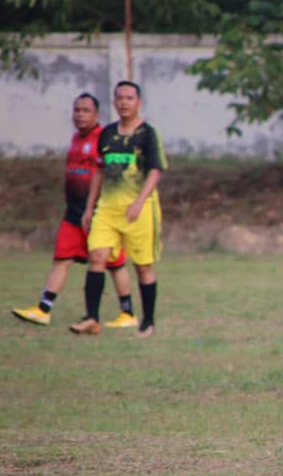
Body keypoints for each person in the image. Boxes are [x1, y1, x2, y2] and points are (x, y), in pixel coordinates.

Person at [12, 93, 136, 328]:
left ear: (96, 114)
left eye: (86, 110)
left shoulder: (106, 139)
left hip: (100, 215)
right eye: (76, 110)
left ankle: (127, 313)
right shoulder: (76, 139)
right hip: (73, 214)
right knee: (62, 258)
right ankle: (43, 309)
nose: (80, 115)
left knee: (114, 263)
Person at [69, 81, 167, 338]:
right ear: (114, 102)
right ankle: (92, 318)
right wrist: (89, 207)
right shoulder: (107, 134)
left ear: (138, 102)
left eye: (129, 98)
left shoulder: (147, 134)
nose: (124, 102)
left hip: (140, 209)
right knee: (97, 257)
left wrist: (138, 202)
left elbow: (155, 171)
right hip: (108, 210)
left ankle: (148, 321)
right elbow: (99, 171)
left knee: (142, 266)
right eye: (120, 98)